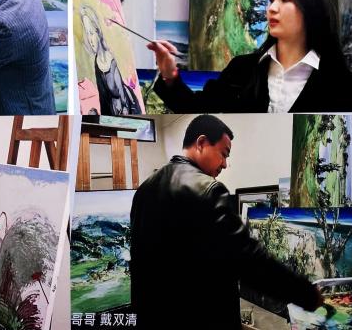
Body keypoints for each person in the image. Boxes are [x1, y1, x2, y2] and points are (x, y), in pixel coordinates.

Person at [130, 115, 322, 329]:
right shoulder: (207, 189)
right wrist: (305, 294)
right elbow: (247, 259)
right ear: (201, 143)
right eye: (223, 154)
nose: (225, 164)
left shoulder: (144, 191)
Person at [148, 0, 352, 113]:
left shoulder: (341, 85)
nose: (272, 8)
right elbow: (197, 110)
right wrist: (170, 75)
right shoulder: (241, 70)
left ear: (315, 9)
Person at [79, 5, 141, 116]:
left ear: (98, 32)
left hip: (125, 107)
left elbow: (121, 94)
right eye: (87, 34)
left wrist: (123, 108)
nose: (90, 39)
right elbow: (103, 98)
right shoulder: (97, 63)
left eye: (91, 33)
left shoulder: (111, 60)